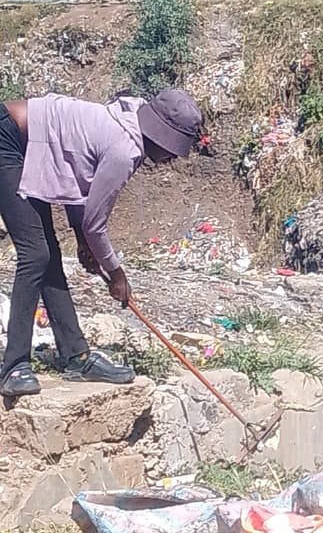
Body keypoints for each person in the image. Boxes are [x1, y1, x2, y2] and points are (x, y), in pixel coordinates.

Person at [0, 89, 203, 397]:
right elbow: (96, 224)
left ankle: (77, 358)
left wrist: (82, 241)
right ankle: (14, 366)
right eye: (174, 147)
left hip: (30, 146)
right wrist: (116, 273)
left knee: (49, 256)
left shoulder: (126, 121)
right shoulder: (124, 149)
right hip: (9, 139)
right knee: (36, 254)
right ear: (161, 134)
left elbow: (75, 174)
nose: (173, 157)